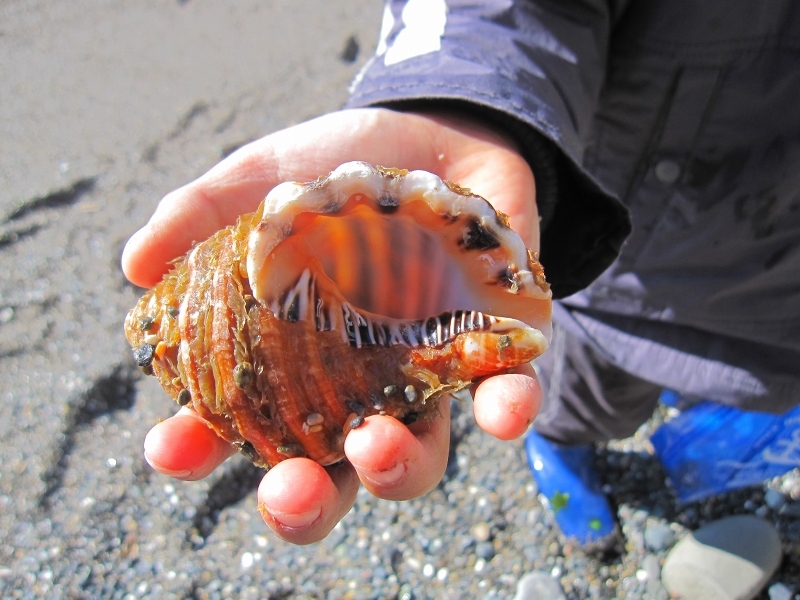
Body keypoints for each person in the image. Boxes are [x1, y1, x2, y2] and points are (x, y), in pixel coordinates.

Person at [122, 0, 800, 549]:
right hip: (627, 291)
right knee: (586, 402)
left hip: (778, 319)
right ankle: (564, 448)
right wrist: (461, 105)